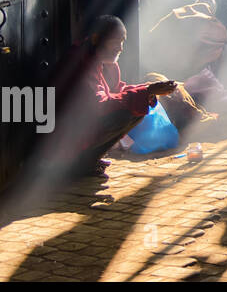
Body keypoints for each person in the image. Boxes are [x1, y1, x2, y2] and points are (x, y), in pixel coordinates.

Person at [51, 16, 176, 176]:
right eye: (116, 42)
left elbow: (117, 90)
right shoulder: (80, 62)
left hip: (84, 124)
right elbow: (100, 104)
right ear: (96, 39)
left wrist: (148, 90)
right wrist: (147, 91)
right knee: (125, 113)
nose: (120, 48)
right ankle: (77, 163)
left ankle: (89, 159)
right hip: (66, 131)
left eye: (122, 42)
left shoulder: (107, 64)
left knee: (138, 107)